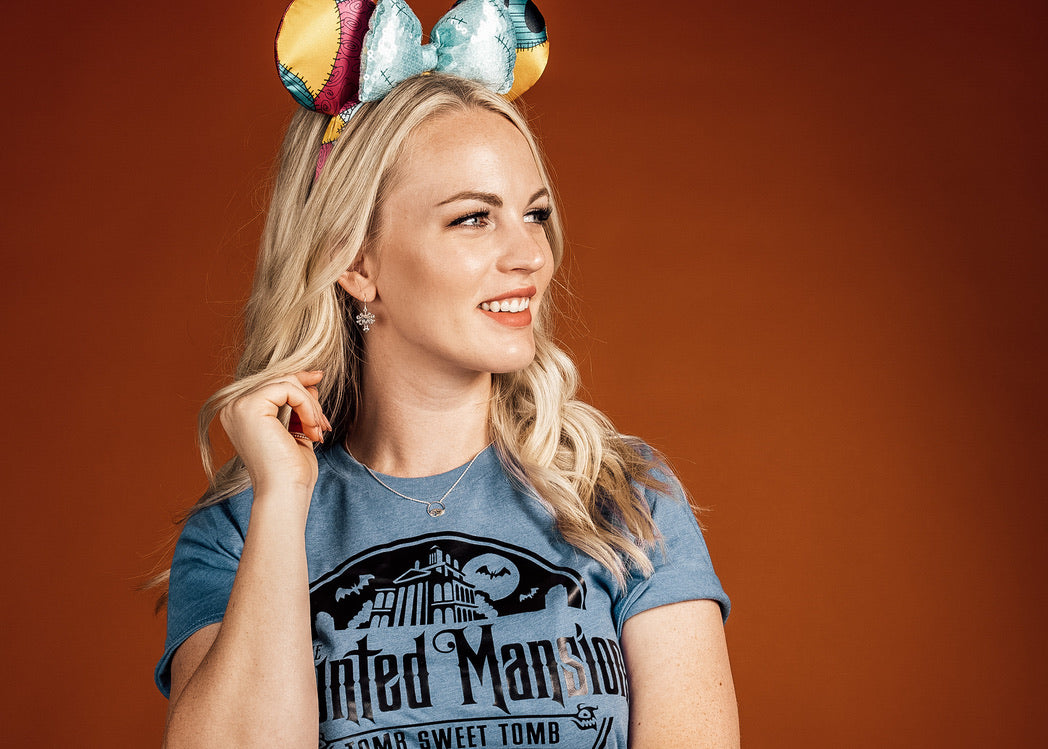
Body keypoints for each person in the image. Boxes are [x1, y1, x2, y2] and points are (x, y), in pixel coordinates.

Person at [155, 1, 739, 746]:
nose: (530, 255)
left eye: (535, 214)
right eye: (473, 218)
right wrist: (282, 500)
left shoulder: (624, 500)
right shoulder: (239, 531)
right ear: (356, 262)